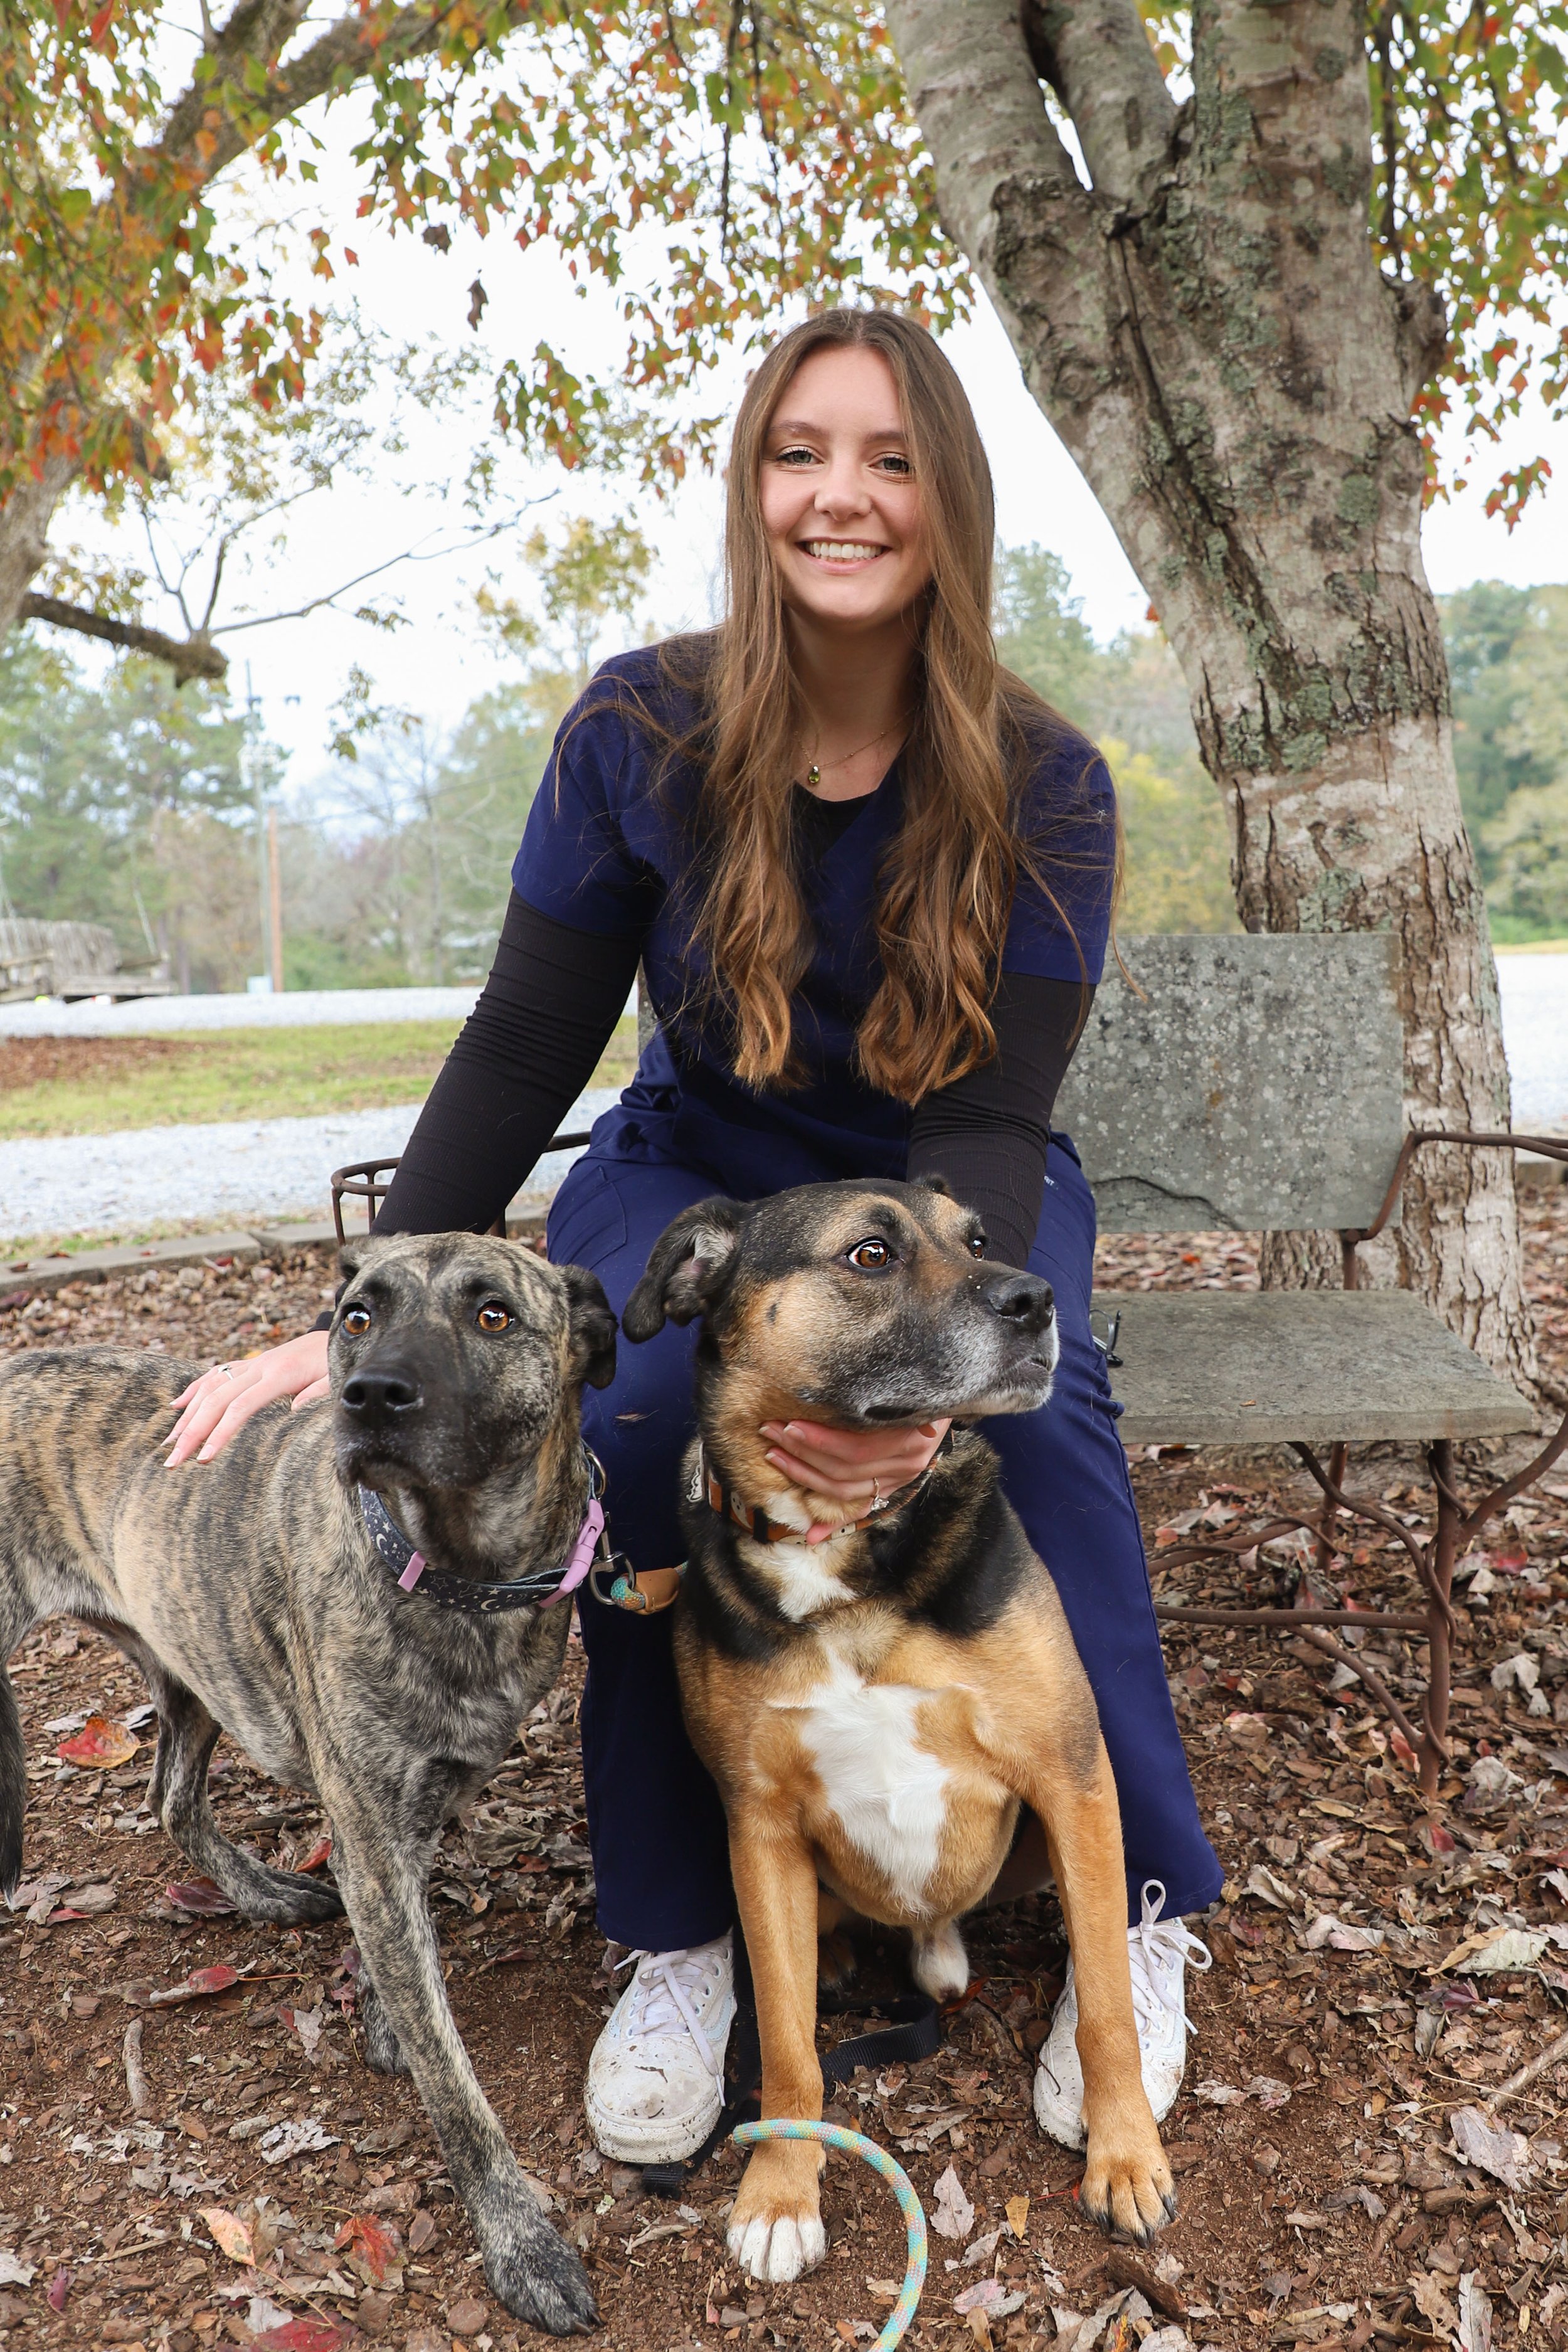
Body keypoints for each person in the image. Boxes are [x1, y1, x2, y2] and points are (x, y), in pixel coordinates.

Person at [167, 306, 1220, 2171]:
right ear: (753, 488)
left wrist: (910, 1372)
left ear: (946, 501)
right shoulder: (636, 728)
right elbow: (519, 1044)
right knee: (645, 1414)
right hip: (702, 1167)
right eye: (801, 452)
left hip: (938, 1171)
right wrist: (335, 1321)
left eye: (891, 460)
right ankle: (679, 1937)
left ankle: (1133, 1918)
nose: (843, 495)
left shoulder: (1043, 780)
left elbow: (987, 1121)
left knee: (1032, 1427)